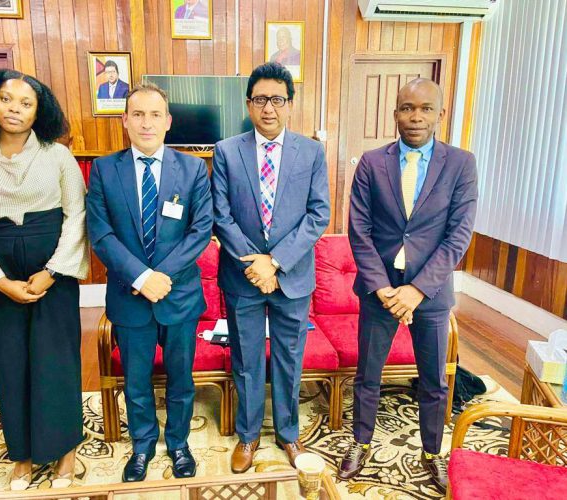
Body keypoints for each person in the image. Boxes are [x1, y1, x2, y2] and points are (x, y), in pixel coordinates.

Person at [0, 69, 89, 491]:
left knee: (58, 361)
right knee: (11, 365)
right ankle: (23, 456)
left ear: (39, 111)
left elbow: (77, 215)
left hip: (54, 273)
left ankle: (66, 450)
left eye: (26, 103)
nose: (15, 109)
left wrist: (52, 272)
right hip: (2, 277)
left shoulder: (58, 156)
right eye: (7, 100)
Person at [340, 78, 478, 494]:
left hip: (430, 293)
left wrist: (417, 289)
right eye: (406, 108)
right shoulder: (370, 162)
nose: (415, 117)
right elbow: (358, 230)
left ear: (440, 114)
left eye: (424, 109)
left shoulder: (461, 164)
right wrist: (383, 288)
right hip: (378, 291)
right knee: (368, 375)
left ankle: (433, 452)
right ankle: (361, 443)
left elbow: (459, 234)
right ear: (395, 112)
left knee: (434, 381)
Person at [86, 82, 213, 482]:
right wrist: (141, 277)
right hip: (129, 296)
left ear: (168, 121)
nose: (146, 122)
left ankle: (178, 443)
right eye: (137, 114)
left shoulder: (192, 169)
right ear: (125, 121)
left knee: (181, 378)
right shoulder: (105, 169)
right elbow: (100, 233)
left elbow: (201, 230)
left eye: (155, 114)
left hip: (179, 296)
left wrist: (161, 277)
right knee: (136, 381)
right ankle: (142, 446)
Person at [211, 62, 330, 473]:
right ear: (248, 104)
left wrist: (275, 262)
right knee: (245, 358)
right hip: (243, 276)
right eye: (260, 99)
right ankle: (248, 436)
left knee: (288, 358)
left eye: (277, 100)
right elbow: (220, 216)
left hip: (292, 276)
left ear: (290, 105)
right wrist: (255, 264)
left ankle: (288, 434)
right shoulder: (226, 150)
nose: (268, 109)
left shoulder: (312, 152)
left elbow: (318, 215)